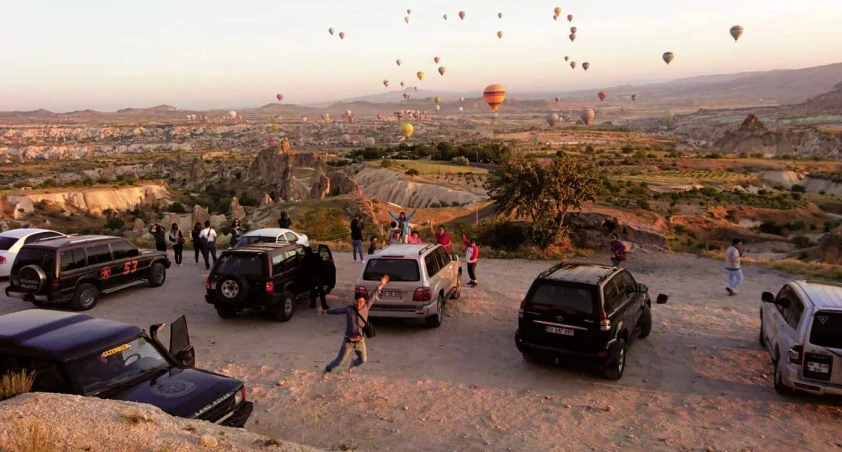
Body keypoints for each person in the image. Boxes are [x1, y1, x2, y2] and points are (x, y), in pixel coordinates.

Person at [319, 275, 389, 373]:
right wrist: (325, 311)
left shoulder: (366, 307)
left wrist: (381, 284)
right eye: (357, 302)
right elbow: (337, 310)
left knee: (363, 360)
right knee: (339, 362)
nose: (358, 304)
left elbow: (374, 294)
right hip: (348, 342)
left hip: (360, 341)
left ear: (364, 302)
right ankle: (327, 369)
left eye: (361, 302)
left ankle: (353, 363)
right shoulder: (349, 309)